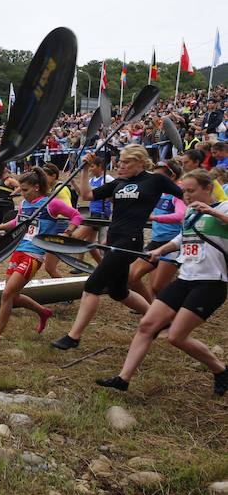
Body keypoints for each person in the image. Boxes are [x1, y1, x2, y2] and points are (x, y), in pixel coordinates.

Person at [95, 169, 227, 396]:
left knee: (176, 336)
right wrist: (160, 250)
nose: (186, 195)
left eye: (191, 190)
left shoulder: (223, 208)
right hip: (186, 278)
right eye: (184, 191)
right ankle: (123, 379)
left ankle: (220, 369)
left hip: (211, 283)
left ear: (208, 188)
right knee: (147, 325)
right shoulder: (190, 212)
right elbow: (181, 238)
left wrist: (214, 214)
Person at [51, 145, 184, 350]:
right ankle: (160, 321)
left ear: (141, 162)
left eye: (126, 162)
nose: (120, 166)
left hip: (130, 240)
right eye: (120, 162)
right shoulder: (119, 183)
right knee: (119, 292)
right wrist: (85, 169)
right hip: (113, 239)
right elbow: (87, 195)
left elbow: (185, 194)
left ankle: (74, 336)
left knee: (93, 285)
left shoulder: (155, 180)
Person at [0, 167, 82, 350]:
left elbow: (76, 215)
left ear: (36, 187)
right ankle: (43, 312)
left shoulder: (51, 203)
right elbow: (18, 222)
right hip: (18, 250)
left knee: (7, 294)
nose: (22, 193)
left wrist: (68, 231)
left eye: (25, 190)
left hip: (35, 254)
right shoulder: (25, 205)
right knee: (14, 296)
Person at [126, 160, 185, 303]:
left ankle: (169, 313)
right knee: (131, 277)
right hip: (156, 241)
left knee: (158, 287)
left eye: (159, 177)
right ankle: (150, 307)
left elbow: (180, 215)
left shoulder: (177, 193)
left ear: (172, 177)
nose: (155, 180)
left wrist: (154, 217)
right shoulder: (159, 193)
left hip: (171, 243)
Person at [70, 158, 113, 265]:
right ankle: (101, 265)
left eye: (93, 166)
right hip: (93, 212)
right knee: (89, 243)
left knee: (77, 236)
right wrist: (73, 182)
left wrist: (109, 197)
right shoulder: (91, 180)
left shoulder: (107, 178)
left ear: (100, 166)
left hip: (101, 214)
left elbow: (117, 189)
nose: (90, 169)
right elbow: (82, 194)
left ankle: (79, 264)